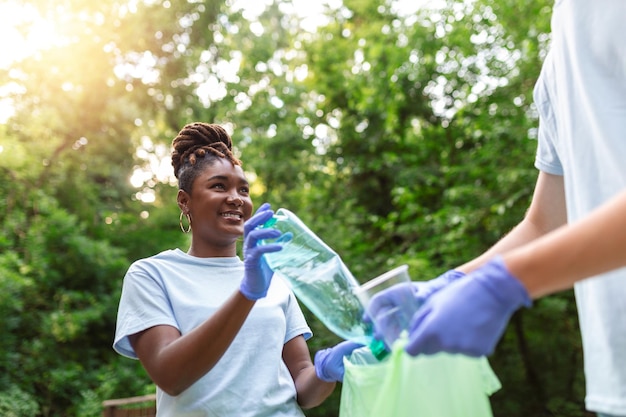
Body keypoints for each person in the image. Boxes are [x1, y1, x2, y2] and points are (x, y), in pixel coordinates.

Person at [365, 1, 626, 416]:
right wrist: (452, 283)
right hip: (614, 381)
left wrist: (506, 284)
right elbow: (546, 224)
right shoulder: (560, 55)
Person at [113, 122, 361, 416]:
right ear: (184, 201)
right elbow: (171, 376)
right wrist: (248, 293)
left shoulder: (273, 278)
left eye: (243, 189)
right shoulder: (152, 275)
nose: (236, 198)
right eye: (219, 186)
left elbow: (303, 389)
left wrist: (325, 371)